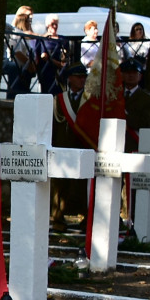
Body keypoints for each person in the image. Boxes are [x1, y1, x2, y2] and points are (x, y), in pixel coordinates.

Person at [51, 64, 92, 231]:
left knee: (83, 186)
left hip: (84, 145)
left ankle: (86, 219)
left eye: (84, 77)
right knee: (60, 186)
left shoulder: (91, 100)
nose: (82, 80)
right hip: (63, 146)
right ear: (69, 78)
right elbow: (55, 124)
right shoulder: (59, 100)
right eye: (78, 76)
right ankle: (58, 219)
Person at [121, 57, 150, 226]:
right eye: (127, 73)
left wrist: (125, 116)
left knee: (135, 188)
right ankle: (116, 220)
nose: (130, 76)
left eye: (134, 73)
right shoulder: (114, 96)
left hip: (135, 146)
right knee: (113, 185)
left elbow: (146, 121)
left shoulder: (147, 97)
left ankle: (135, 220)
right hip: (116, 146)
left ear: (140, 76)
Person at [5, 5, 36, 98]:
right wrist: (29, 63)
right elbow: (16, 51)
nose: (30, 20)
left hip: (27, 71)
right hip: (19, 70)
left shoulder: (27, 34)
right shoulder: (15, 32)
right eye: (28, 17)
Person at [35, 13, 66, 93]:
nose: (55, 26)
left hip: (62, 73)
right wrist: (58, 64)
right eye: (52, 24)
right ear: (47, 25)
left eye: (56, 24)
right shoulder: (43, 39)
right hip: (47, 72)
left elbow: (67, 53)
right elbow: (43, 56)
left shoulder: (63, 39)